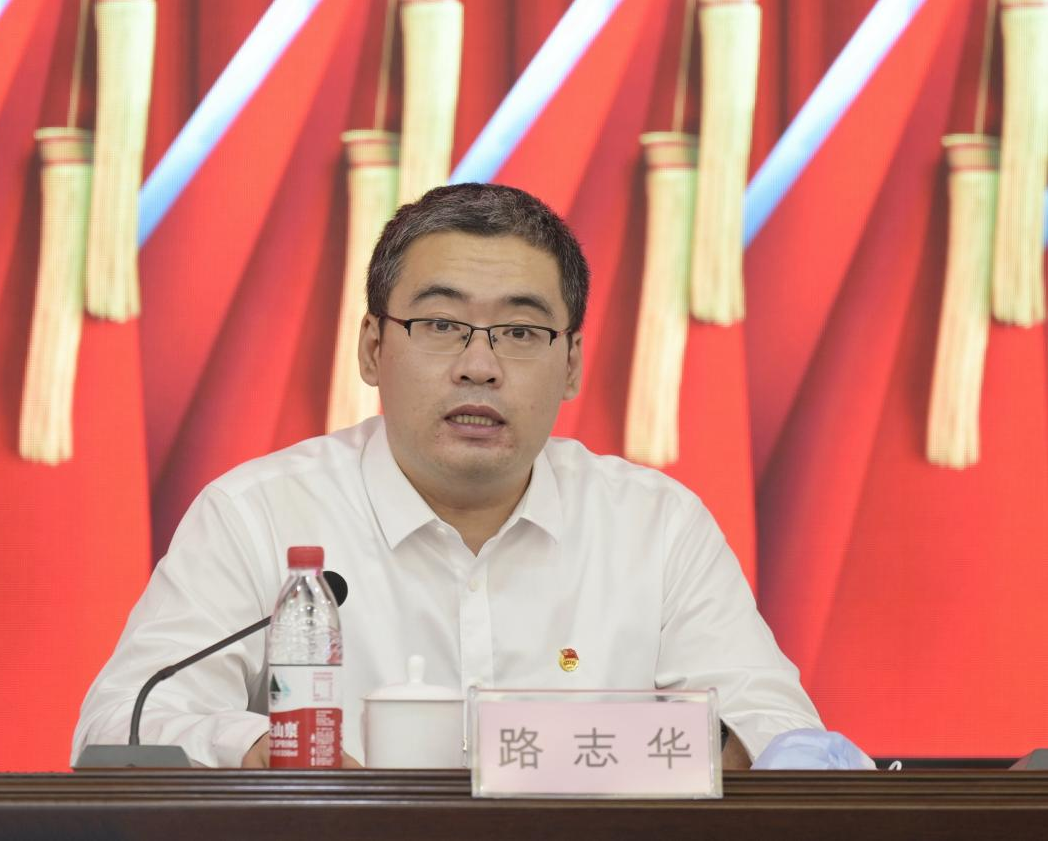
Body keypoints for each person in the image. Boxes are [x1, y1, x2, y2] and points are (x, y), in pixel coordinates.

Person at [72, 183, 822, 770]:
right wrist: (266, 753)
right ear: (372, 349)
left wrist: (651, 756)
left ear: (570, 364)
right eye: (439, 325)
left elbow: (782, 735)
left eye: (520, 331)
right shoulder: (258, 515)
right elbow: (122, 726)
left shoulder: (654, 526)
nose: (479, 365)